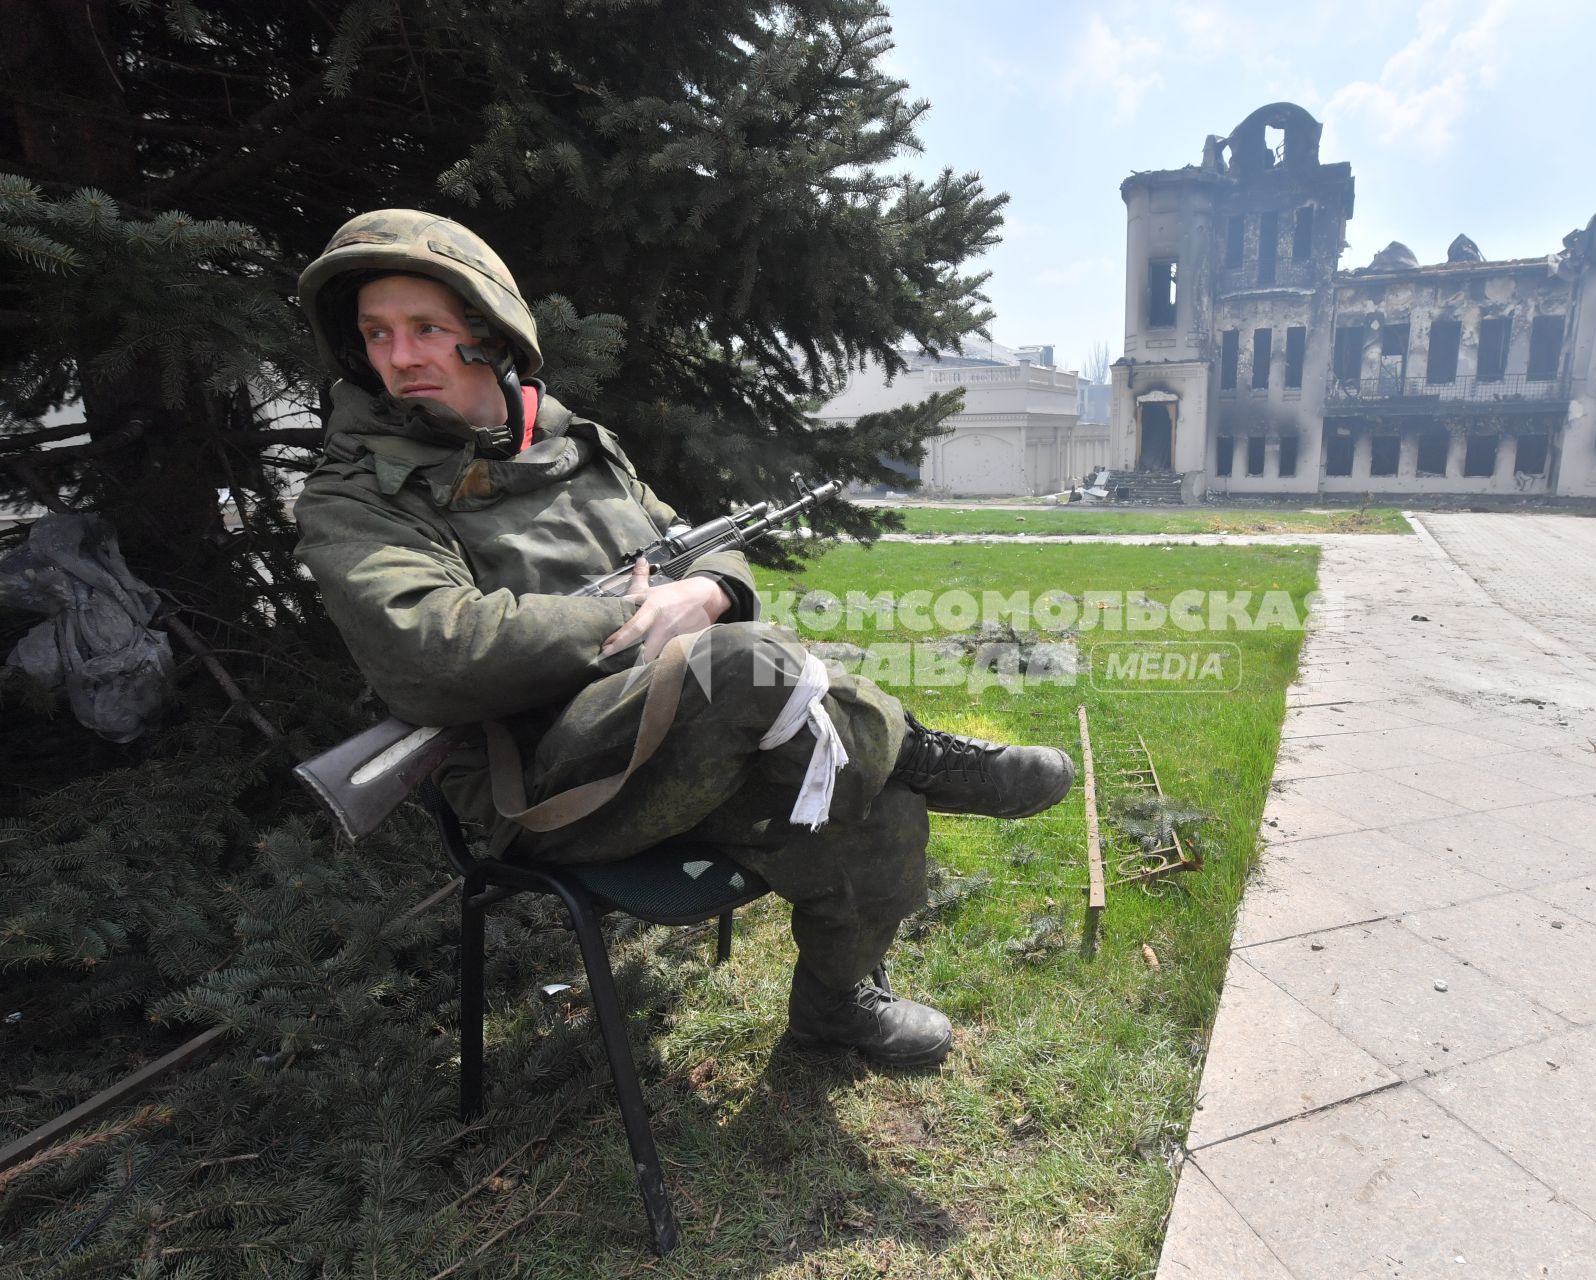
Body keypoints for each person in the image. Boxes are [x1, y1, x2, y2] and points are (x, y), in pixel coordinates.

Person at [292, 210, 1074, 1068]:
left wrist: (705, 588)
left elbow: (692, 540)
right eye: (376, 334)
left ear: (489, 333)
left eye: (427, 329)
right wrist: (637, 622)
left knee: (878, 804)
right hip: (544, 783)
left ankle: (835, 1011)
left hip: (674, 745)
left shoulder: (578, 446)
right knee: (749, 662)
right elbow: (431, 653)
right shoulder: (356, 495)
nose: (400, 357)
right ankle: (923, 752)